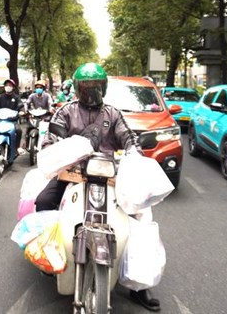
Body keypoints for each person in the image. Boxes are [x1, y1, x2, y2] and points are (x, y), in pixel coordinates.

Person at [34, 62, 161, 312]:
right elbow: (52, 138)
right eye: (85, 87)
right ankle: (49, 254)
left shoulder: (113, 114)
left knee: (141, 215)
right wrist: (56, 150)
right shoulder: (66, 111)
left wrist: (135, 153)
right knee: (44, 201)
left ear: (103, 88)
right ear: (77, 88)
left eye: (95, 87)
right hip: (72, 172)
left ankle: (139, 285)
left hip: (109, 173)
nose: (90, 92)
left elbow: (129, 138)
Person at [0, 78, 26, 155]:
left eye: (10, 85)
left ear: (13, 87)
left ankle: (17, 147)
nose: (8, 87)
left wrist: (22, 111)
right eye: (6, 85)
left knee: (19, 130)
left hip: (12, 121)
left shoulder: (16, 98)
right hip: (1, 121)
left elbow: (21, 106)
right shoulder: (0, 97)